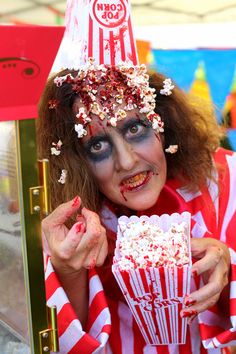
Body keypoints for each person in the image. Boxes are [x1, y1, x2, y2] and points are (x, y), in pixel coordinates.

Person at [37, 60, 236, 354]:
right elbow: (63, 344)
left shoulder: (225, 181)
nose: (127, 162)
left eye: (135, 129)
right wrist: (67, 270)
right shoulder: (62, 224)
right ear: (76, 162)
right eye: (97, 146)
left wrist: (227, 268)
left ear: (163, 125)